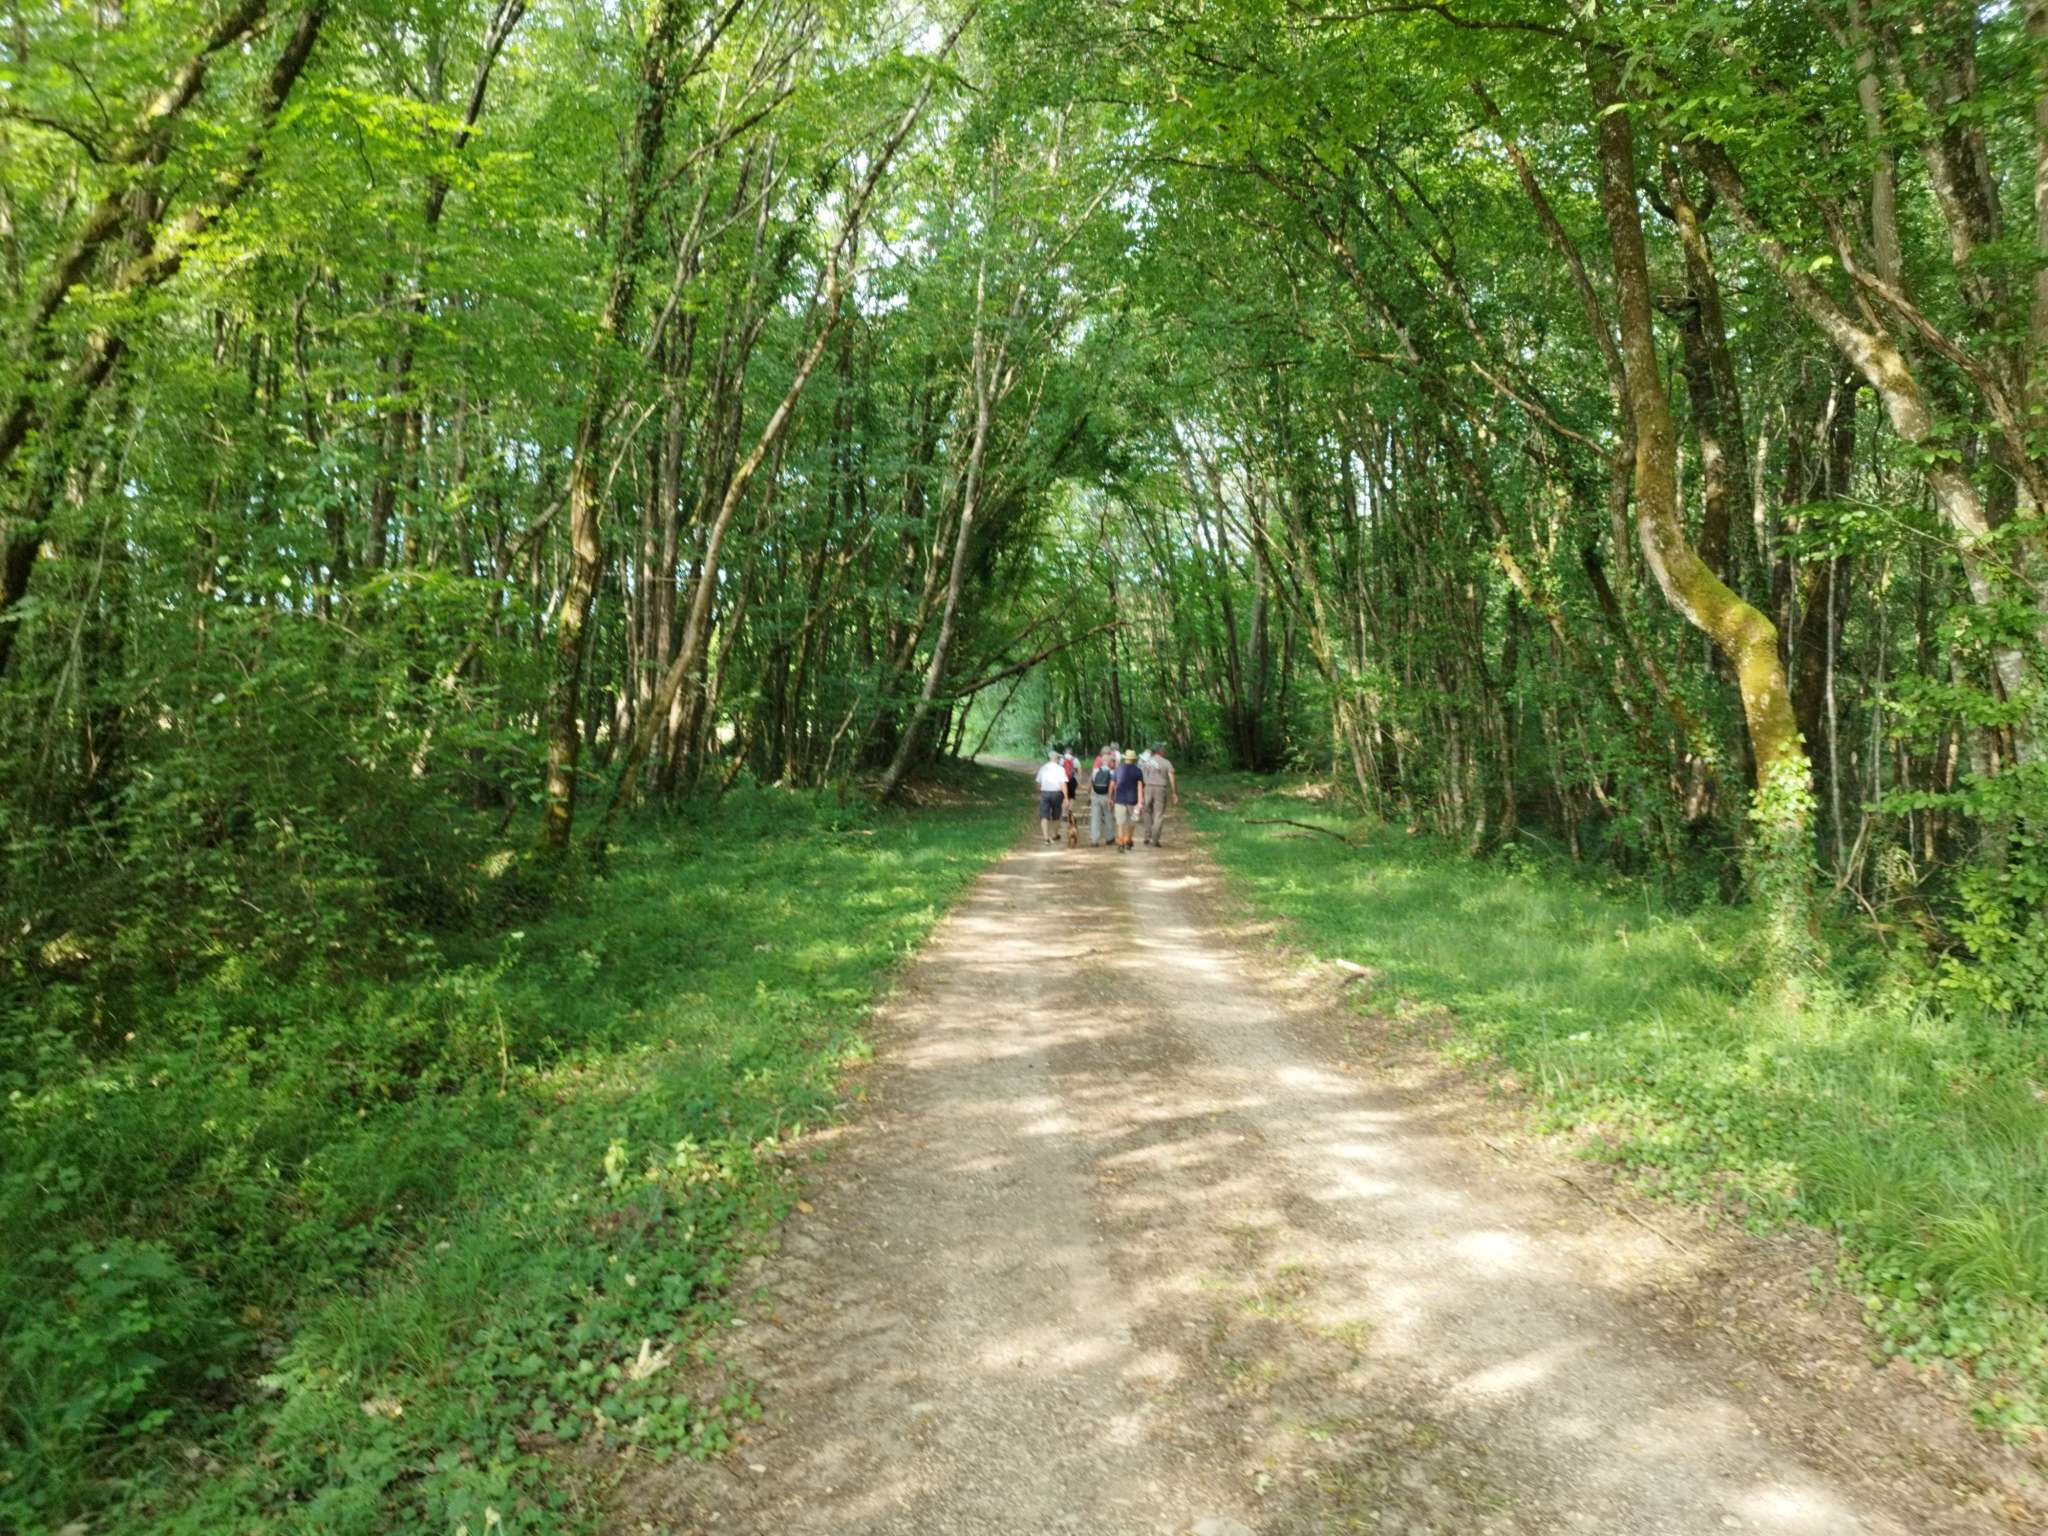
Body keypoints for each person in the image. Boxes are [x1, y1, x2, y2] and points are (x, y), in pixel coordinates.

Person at [1139, 738, 1178, 847]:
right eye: (1163, 748)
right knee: (1158, 814)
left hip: (1148, 788)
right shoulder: (1166, 762)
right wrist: (1174, 792)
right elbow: (1171, 777)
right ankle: (1155, 839)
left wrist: (1142, 790)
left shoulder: (1146, 762)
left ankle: (1147, 835)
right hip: (1160, 789)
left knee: (1146, 811)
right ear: (1160, 750)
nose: (1164, 750)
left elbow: (1141, 777)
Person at [1034, 748, 1070, 846]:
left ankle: (1046, 838)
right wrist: (1066, 797)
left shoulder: (1043, 768)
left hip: (1045, 793)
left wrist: (1040, 792)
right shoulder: (1060, 769)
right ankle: (1054, 834)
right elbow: (1063, 784)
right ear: (1057, 759)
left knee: (1044, 815)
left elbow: (1038, 783)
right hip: (1057, 793)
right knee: (1056, 815)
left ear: (1049, 758)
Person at [1110, 747, 1143, 853]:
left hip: (1119, 799)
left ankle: (1120, 842)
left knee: (1120, 823)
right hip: (1133, 800)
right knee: (1132, 821)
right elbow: (1140, 787)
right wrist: (1140, 802)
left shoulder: (1118, 769)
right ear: (1134, 760)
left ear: (1125, 759)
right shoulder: (1138, 771)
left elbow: (1112, 784)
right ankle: (1128, 840)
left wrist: (1110, 798)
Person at [1088, 742, 1118, 847]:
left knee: (1095, 817)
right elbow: (1113, 786)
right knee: (1109, 816)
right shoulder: (1112, 772)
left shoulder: (1096, 770)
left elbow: (1091, 783)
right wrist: (1113, 797)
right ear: (1109, 762)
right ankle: (1109, 838)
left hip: (1095, 794)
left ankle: (1094, 840)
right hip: (1106, 796)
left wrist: (1089, 794)